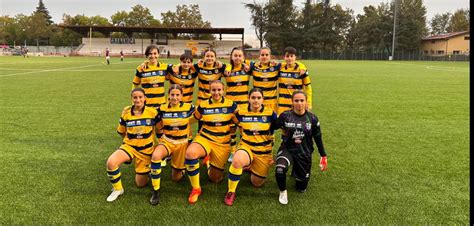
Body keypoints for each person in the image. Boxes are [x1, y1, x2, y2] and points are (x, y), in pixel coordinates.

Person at [184, 80, 239, 204]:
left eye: (219, 90)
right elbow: (194, 118)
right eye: (213, 90)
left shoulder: (232, 105)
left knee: (215, 179)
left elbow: (239, 121)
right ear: (210, 91)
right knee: (190, 153)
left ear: (223, 90)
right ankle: (196, 189)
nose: (216, 92)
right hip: (205, 138)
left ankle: (208, 162)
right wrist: (176, 120)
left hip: (223, 143)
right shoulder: (203, 105)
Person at [223, 88, 277, 206]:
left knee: (257, 183)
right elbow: (232, 120)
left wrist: (271, 154)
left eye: (258, 98)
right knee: (237, 161)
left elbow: (273, 134)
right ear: (249, 99)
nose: (256, 100)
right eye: (253, 98)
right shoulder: (241, 113)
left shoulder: (270, 114)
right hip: (246, 146)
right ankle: (231, 191)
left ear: (263, 99)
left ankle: (250, 166)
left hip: (263, 151)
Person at [105, 87, 160, 202]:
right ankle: (117, 189)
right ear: (132, 99)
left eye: (140, 97)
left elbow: (159, 131)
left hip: (146, 151)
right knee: (111, 162)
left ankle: (148, 169)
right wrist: (128, 142)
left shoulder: (153, 112)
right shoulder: (126, 112)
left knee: (140, 184)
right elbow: (121, 131)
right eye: (135, 97)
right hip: (129, 147)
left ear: (145, 98)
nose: (138, 100)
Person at [274, 90, 328, 205]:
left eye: (302, 100)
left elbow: (318, 138)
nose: (299, 103)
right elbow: (271, 127)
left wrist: (323, 155)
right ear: (292, 102)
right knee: (279, 170)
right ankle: (283, 192)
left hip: (304, 153)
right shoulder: (285, 116)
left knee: (301, 188)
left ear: (306, 102)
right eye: (296, 100)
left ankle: (297, 171)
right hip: (287, 149)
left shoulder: (312, 118)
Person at [149, 84, 196, 205]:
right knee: (155, 156)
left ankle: (181, 167)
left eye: (177, 95)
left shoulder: (189, 107)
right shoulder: (161, 108)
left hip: (182, 143)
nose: (174, 97)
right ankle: (155, 191)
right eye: (172, 95)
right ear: (168, 96)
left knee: (176, 178)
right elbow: (156, 124)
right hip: (167, 141)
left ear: (181, 96)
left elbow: (203, 116)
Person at [223, 47, 251, 162]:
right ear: (231, 57)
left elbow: (263, 64)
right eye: (235, 55)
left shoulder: (248, 67)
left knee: (243, 129)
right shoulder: (226, 69)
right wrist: (228, 66)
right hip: (230, 105)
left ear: (243, 57)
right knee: (232, 130)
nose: (237, 58)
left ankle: (243, 150)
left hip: (244, 105)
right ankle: (233, 151)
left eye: (240, 55)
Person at [132, 44, 173, 109]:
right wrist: (134, 102)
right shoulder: (140, 68)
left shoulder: (165, 67)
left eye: (155, 53)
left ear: (158, 54)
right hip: (146, 106)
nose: (153, 56)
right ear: (147, 55)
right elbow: (135, 85)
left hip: (161, 106)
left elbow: (178, 67)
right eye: (150, 54)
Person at [277, 47, 312, 115]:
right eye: (287, 56)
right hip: (282, 105)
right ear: (284, 57)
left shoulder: (302, 70)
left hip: (297, 105)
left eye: (291, 56)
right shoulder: (280, 68)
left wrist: (308, 102)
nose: (289, 58)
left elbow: (308, 87)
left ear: (295, 57)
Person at [247, 47, 281, 113]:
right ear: (259, 56)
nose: (264, 57)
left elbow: (289, 63)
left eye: (266, 55)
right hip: (257, 103)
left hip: (271, 103)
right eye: (262, 55)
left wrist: (302, 67)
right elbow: (241, 61)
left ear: (270, 56)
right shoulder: (254, 66)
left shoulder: (276, 66)